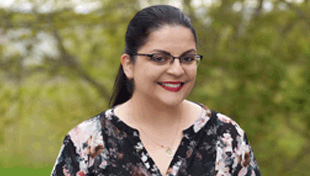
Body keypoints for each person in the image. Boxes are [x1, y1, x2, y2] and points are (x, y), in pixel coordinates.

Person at [51, 5, 261, 176]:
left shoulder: (226, 138)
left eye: (187, 58)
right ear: (128, 65)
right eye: (160, 58)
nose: (177, 70)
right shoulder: (86, 143)